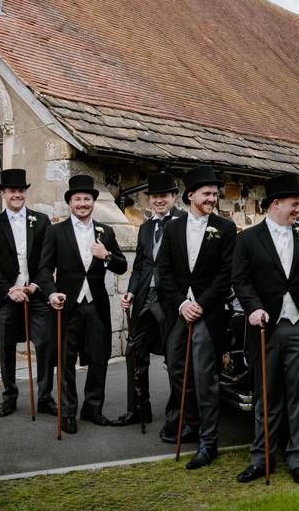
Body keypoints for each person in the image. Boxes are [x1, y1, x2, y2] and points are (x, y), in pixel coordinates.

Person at [233, 173, 299, 485]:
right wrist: (253, 308)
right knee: (266, 397)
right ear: (276, 204)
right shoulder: (248, 239)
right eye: (295, 204)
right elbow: (240, 280)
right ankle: (261, 457)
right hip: (267, 328)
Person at [156, 164, 236, 469]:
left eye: (214, 194)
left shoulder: (225, 229)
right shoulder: (173, 228)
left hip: (208, 311)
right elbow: (164, 272)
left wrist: (200, 304)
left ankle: (208, 441)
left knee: (205, 377)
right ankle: (189, 420)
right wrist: (181, 304)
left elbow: (225, 274)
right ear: (191, 196)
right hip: (178, 312)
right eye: (206, 193)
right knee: (176, 368)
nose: (212, 198)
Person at [38, 174, 128, 435]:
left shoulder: (105, 232)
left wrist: (107, 255)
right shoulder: (55, 232)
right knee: (66, 361)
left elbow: (121, 266)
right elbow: (44, 270)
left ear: (93, 202)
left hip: (96, 305)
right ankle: (68, 412)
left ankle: (93, 408)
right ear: (70, 203)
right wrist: (52, 293)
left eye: (87, 199)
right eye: (77, 199)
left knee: (99, 358)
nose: (82, 203)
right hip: (67, 306)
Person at [113, 172, 186, 429]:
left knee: (174, 357)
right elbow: (141, 265)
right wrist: (131, 292)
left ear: (173, 196)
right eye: (154, 196)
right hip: (145, 297)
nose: (159, 200)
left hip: (172, 300)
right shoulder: (145, 228)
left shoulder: (186, 222)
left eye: (164, 196)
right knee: (134, 352)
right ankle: (138, 409)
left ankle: (177, 416)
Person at [0, 168, 55, 418]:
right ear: (2, 193)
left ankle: (45, 396)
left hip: (36, 293)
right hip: (8, 297)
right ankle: (10, 396)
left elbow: (47, 260)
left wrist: (35, 286)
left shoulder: (41, 220)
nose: (17, 195)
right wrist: (9, 290)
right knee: (6, 347)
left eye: (21, 190)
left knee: (45, 343)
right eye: (12, 190)